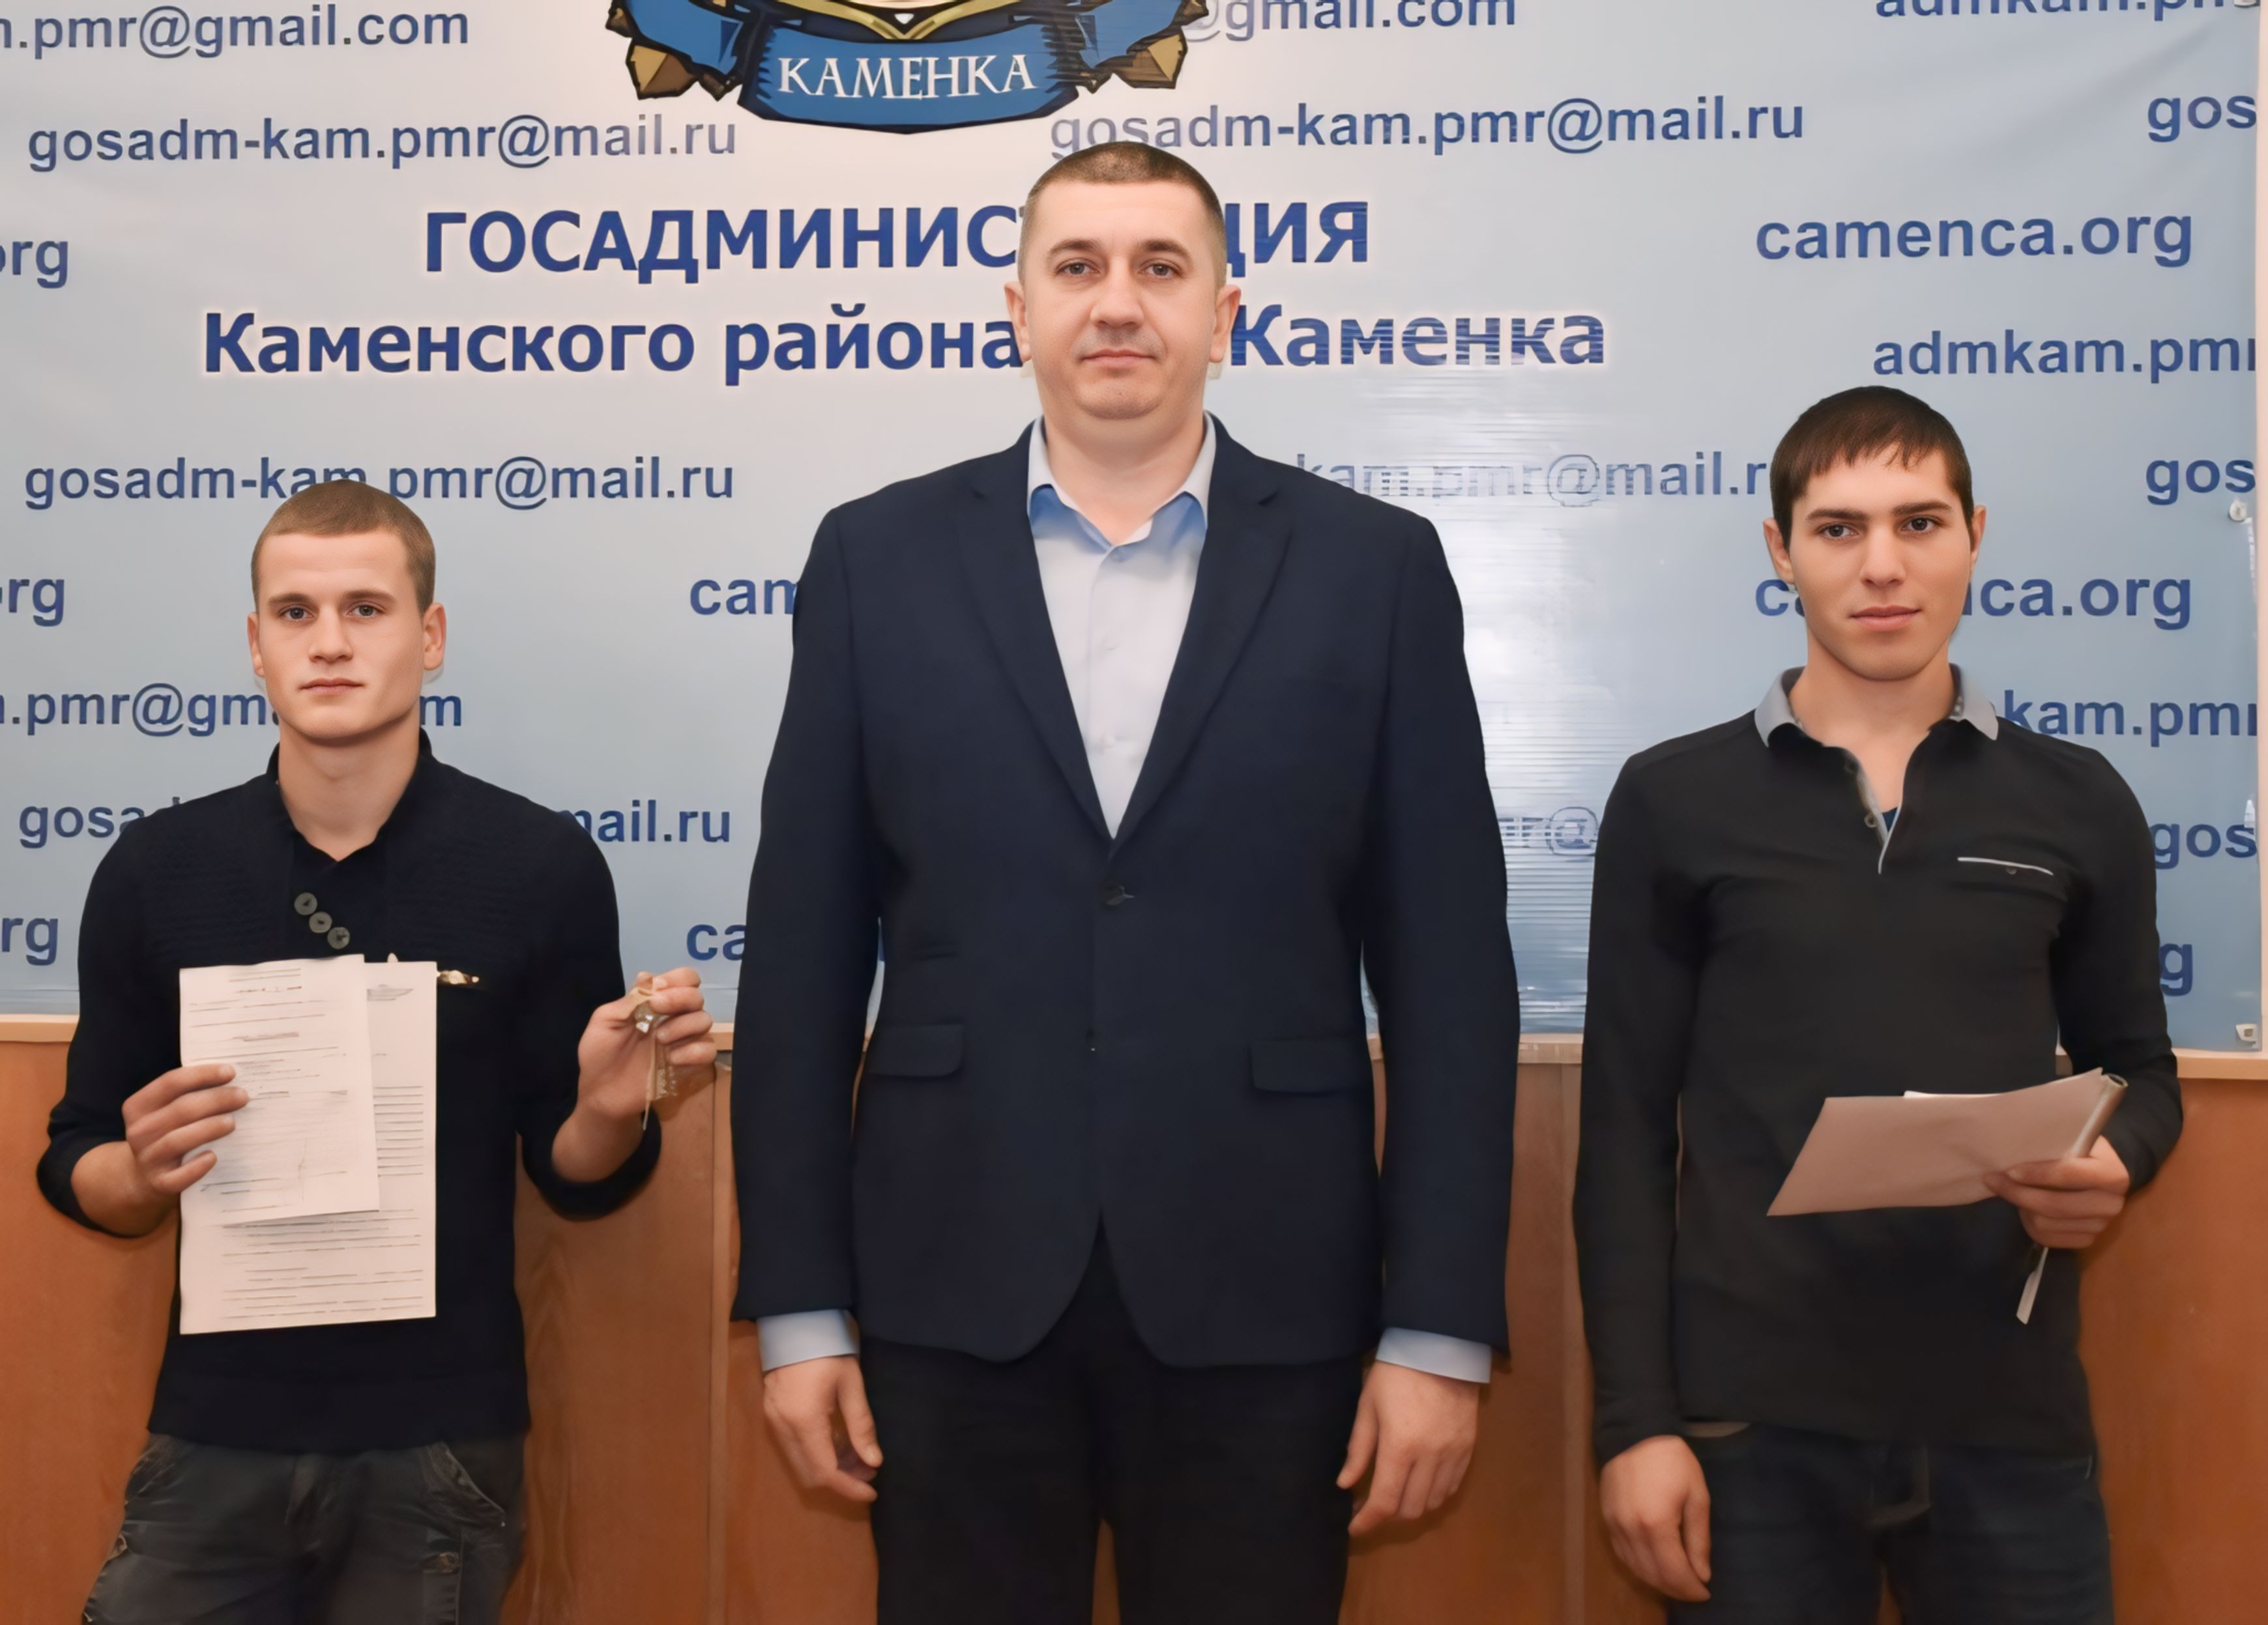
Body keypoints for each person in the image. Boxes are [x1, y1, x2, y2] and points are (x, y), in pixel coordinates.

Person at [733, 143, 1521, 1625]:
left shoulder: (1375, 568)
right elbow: (799, 966)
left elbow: (1453, 986)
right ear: (1017, 308)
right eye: (1078, 266)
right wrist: (798, 1306)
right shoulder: (872, 560)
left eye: (1161, 267)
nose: (1118, 303)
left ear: (1225, 312)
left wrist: (1436, 1328)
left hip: (1268, 1291)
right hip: (948, 1286)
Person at [40, 480, 717, 1625]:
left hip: (438, 1448)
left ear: (430, 635)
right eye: (295, 613)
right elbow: (77, 1161)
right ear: (255, 645)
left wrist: (612, 1110)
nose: (330, 642)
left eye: (366, 607)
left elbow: (578, 1180)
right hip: (214, 1434)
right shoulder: (155, 871)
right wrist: (138, 1171)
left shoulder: (539, 865)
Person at [1575, 386, 2181, 1623]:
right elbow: (1623, 1130)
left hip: (2007, 1419)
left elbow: (2142, 1069)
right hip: (1748, 1430)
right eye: (1840, 528)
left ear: (1974, 535)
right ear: (1781, 549)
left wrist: (2113, 1159)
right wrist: (1635, 1425)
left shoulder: (2079, 799)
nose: (1884, 565)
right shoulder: (1674, 799)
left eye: (1920, 522)